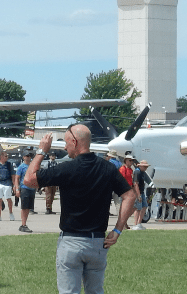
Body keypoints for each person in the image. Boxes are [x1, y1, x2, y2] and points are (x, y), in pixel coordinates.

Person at [23, 124, 135, 294]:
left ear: (75, 142)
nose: (65, 147)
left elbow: (29, 180)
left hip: (71, 242)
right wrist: (118, 230)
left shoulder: (67, 168)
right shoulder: (107, 168)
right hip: (97, 242)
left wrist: (41, 151)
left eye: (66, 142)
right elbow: (130, 196)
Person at [0, 151, 17, 221]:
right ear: (1, 157)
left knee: (8, 198)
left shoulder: (9, 165)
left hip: (7, 183)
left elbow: (13, 175)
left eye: (7, 156)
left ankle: (11, 213)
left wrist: (14, 185)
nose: (7, 157)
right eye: (6, 156)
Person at [16, 151, 37, 232]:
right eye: (27, 156)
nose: (28, 157)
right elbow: (17, 178)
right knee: (24, 207)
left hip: (32, 188)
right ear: (23, 157)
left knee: (28, 208)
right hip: (24, 188)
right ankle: (23, 224)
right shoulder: (21, 167)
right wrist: (17, 189)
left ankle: (24, 223)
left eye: (29, 156)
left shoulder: (32, 166)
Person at [131, 160, 151, 230]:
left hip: (141, 192)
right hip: (137, 192)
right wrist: (138, 195)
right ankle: (135, 224)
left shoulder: (142, 172)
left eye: (146, 167)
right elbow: (135, 184)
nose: (146, 168)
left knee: (144, 206)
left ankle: (139, 223)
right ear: (141, 166)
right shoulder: (137, 172)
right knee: (138, 208)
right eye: (145, 167)